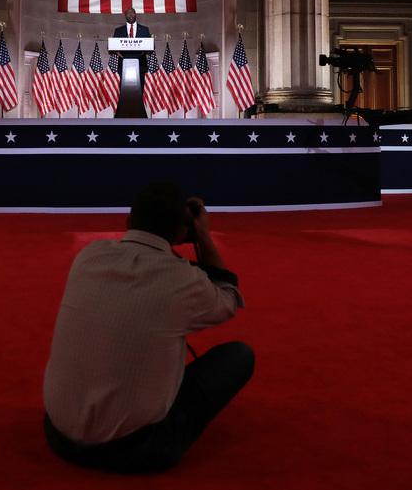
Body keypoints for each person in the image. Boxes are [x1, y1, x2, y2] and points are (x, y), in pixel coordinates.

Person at [42, 181, 253, 473]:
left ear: (129, 220)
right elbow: (228, 296)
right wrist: (203, 235)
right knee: (239, 356)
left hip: (57, 435)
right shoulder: (183, 280)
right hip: (138, 451)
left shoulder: (88, 256)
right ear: (183, 231)